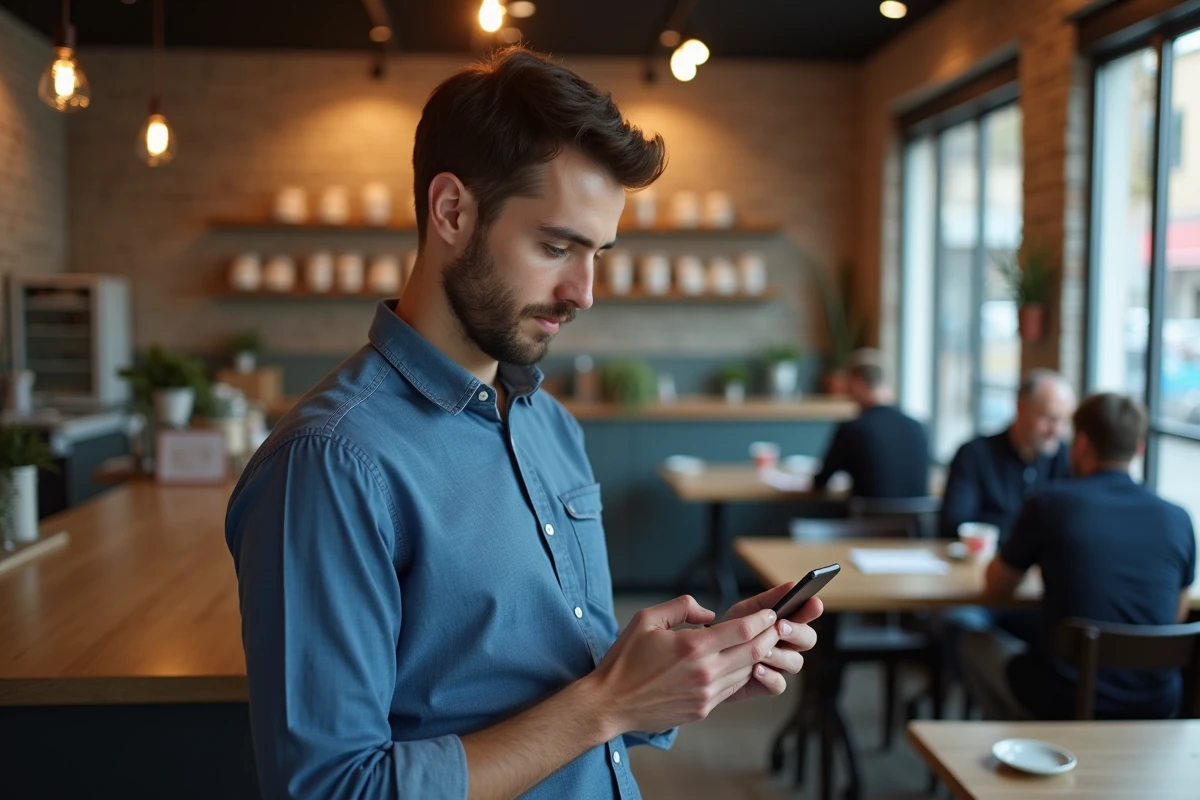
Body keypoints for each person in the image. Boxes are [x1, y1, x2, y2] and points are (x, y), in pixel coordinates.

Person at [225, 48, 822, 800]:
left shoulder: (552, 428)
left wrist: (691, 674)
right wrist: (608, 705)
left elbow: (567, 689)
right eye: (555, 247)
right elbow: (335, 789)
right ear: (452, 212)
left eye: (598, 254)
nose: (585, 291)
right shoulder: (329, 463)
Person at [960, 393, 1196, 721]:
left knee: (966, 633)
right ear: (1139, 448)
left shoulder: (1049, 504)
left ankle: (1019, 741)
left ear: (1081, 443)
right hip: (1155, 703)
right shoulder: (1179, 518)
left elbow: (997, 585)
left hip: (1063, 699)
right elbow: (1174, 617)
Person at [938, 369, 1075, 540]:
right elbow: (955, 524)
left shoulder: (1069, 459)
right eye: (1050, 418)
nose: (1057, 431)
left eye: (1065, 421)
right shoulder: (975, 455)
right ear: (1020, 407)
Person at [813, 348, 930, 498]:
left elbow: (821, 482)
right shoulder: (919, 427)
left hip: (864, 520)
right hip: (914, 521)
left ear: (857, 383)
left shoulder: (853, 430)